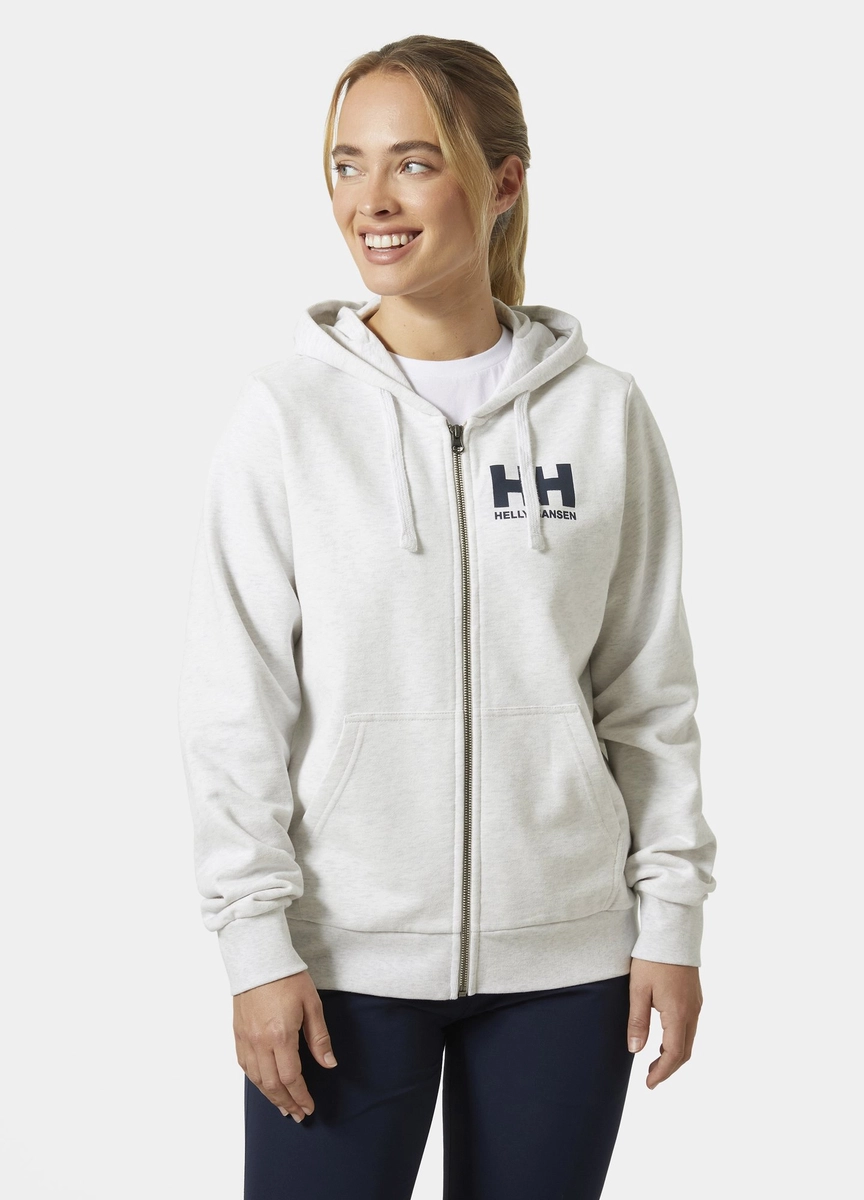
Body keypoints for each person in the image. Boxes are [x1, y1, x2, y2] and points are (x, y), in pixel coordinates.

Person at [177, 34, 717, 1200]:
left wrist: (670, 921)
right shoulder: (287, 418)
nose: (370, 200)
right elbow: (234, 708)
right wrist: (255, 946)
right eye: (346, 164)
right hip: (340, 964)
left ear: (503, 180)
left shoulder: (603, 414)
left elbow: (647, 691)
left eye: (413, 163)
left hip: (569, 964)